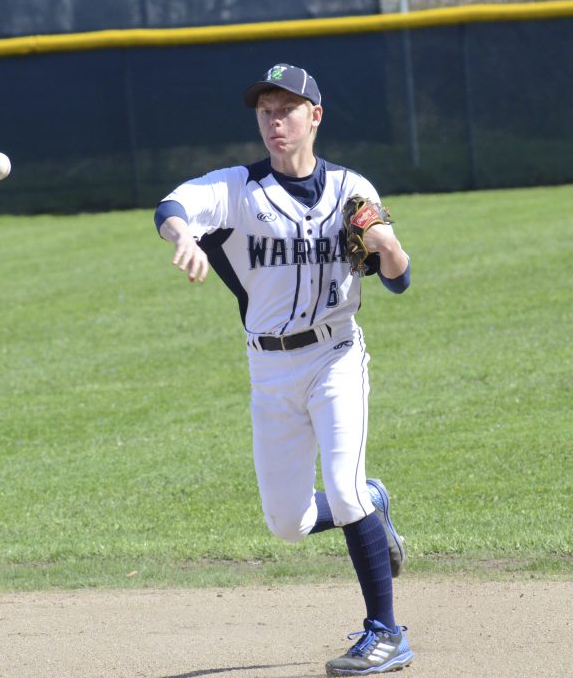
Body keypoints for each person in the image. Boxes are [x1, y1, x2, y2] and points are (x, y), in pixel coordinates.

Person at [154, 63, 415, 676]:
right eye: (265, 112)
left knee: (344, 490)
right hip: (268, 370)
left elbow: (398, 279)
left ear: (314, 117)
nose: (275, 122)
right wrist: (182, 236)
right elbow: (173, 204)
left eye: (287, 110)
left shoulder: (351, 189)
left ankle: (386, 632)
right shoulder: (238, 189)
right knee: (288, 523)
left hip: (335, 356)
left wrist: (389, 245)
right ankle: (375, 503)